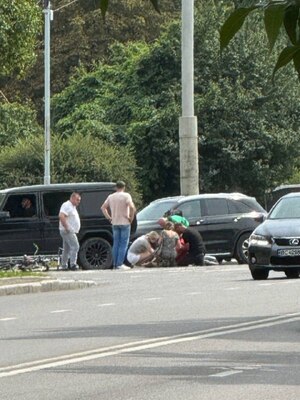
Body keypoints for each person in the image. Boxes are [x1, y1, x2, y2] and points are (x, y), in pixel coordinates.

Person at [101, 181, 136, 270]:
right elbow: (131, 207)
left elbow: (103, 208)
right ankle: (120, 264)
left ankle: (114, 263)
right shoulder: (126, 196)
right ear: (124, 187)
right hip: (124, 222)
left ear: (116, 187)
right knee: (123, 244)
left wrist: (109, 218)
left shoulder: (111, 196)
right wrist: (131, 218)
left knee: (116, 243)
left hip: (115, 222)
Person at [59, 192, 81, 270]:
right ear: (72, 198)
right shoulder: (67, 205)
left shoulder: (72, 207)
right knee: (75, 246)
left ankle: (64, 265)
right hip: (67, 230)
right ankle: (73, 264)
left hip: (69, 230)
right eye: (77, 200)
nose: (79, 202)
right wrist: (67, 227)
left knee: (67, 248)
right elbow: (61, 216)